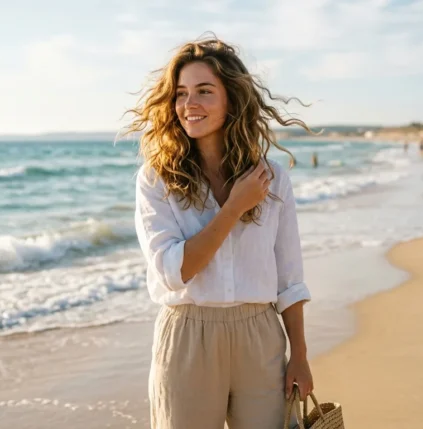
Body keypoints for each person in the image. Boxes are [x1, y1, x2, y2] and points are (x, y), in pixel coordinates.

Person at [126, 38, 313, 429]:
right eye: (181, 94)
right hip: (188, 336)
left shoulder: (272, 177)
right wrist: (234, 207)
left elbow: (289, 278)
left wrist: (300, 355)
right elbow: (175, 271)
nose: (189, 104)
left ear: (233, 98)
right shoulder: (157, 179)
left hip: (260, 335)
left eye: (204, 91)